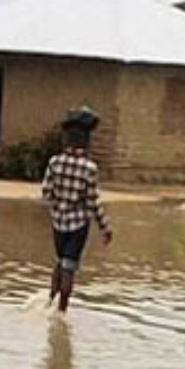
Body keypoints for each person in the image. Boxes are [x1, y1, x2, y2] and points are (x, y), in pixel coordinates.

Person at [41, 108, 112, 313]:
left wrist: (59, 207)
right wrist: (104, 227)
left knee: (60, 262)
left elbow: (46, 192)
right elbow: (92, 202)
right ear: (86, 141)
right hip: (78, 225)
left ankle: (49, 303)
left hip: (58, 223)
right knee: (69, 268)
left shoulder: (55, 162)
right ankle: (61, 312)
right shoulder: (89, 168)